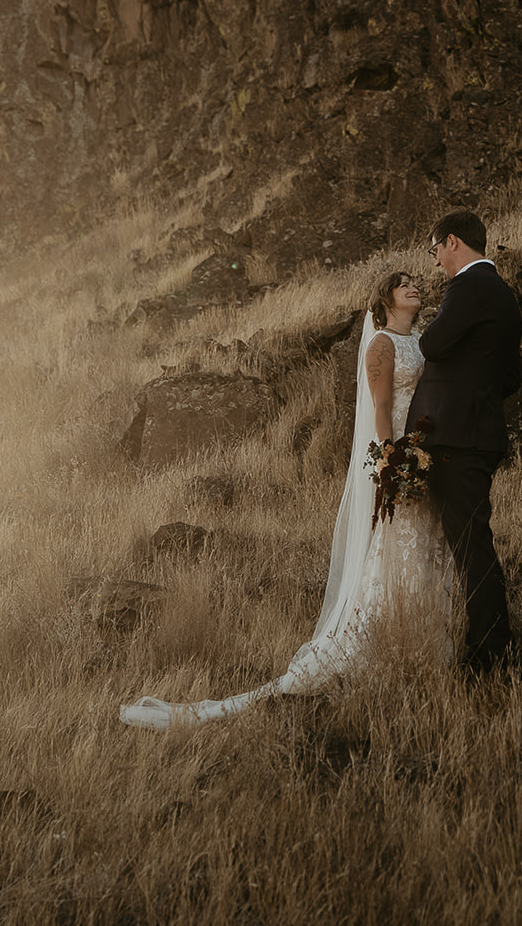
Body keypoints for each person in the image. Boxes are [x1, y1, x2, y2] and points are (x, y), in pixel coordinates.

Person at [120, 272, 451, 729]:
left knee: (425, 545)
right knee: (395, 548)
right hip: (398, 459)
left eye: (415, 282)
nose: (414, 286)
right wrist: (393, 460)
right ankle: (382, 638)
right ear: (385, 298)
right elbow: (378, 409)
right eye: (403, 284)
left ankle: (425, 637)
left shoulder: (422, 340)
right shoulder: (381, 347)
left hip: (423, 453)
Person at [406, 210, 522, 675]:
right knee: (471, 541)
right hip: (479, 435)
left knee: (471, 546)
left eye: (435, 250)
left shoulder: (470, 286)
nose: (435, 263)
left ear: (452, 241)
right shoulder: (503, 294)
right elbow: (511, 377)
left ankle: (492, 653)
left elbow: (432, 345)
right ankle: (490, 642)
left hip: (456, 439)